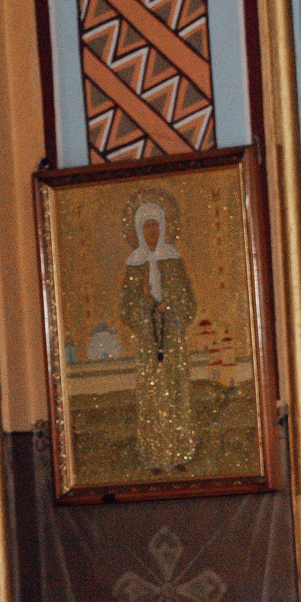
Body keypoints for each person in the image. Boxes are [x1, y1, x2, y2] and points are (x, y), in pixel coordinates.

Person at [119, 195, 197, 471]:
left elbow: (188, 301)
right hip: (147, 340)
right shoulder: (134, 262)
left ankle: (180, 452)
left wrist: (170, 306)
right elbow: (126, 307)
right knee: (151, 395)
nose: (151, 231)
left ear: (162, 227)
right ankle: (154, 455)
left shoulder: (173, 259)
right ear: (139, 230)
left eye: (155, 225)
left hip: (172, 337)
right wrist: (145, 304)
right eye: (146, 226)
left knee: (175, 391)